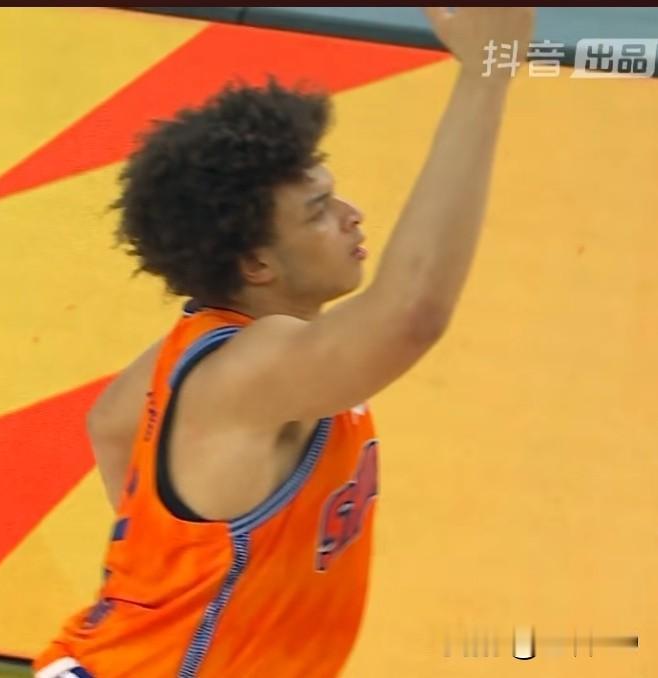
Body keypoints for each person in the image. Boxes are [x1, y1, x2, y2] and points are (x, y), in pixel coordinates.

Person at [32, 7, 536, 678]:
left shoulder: (211, 351)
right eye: (318, 211)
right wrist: (486, 73)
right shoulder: (251, 369)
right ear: (256, 264)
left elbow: (111, 423)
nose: (352, 215)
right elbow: (411, 314)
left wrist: (176, 551)